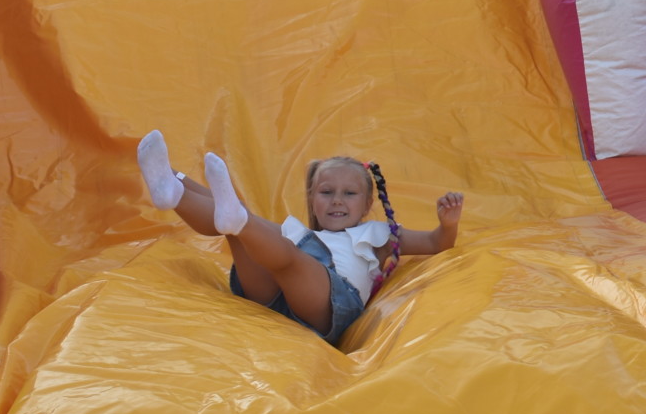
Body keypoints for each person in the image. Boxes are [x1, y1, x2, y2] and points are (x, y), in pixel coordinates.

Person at [136, 131, 463, 344]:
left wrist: (447, 224)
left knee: (279, 248)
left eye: (349, 194)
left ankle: (225, 215)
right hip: (271, 299)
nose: (337, 201)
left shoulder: (377, 235)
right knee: (244, 230)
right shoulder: (302, 234)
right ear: (312, 199)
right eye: (326, 192)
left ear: (367, 204)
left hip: (330, 306)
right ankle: (172, 189)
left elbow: (436, 243)